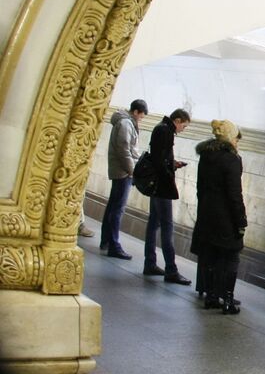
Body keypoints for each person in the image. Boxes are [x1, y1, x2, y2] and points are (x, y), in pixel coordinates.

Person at [191, 120, 247, 314]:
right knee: (231, 257)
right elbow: (235, 194)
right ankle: (228, 300)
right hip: (226, 219)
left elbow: (200, 188)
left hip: (207, 215)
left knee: (211, 256)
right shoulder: (232, 159)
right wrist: (241, 221)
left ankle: (212, 297)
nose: (237, 143)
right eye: (236, 139)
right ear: (230, 138)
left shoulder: (206, 155)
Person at [142, 109, 192, 284]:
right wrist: (170, 171)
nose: (183, 129)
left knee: (153, 223)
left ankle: (150, 262)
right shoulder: (166, 131)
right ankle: (171, 269)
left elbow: (160, 157)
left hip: (156, 185)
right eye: (183, 126)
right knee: (167, 226)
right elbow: (160, 162)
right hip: (162, 186)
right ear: (177, 120)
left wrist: (172, 164)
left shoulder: (160, 127)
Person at [100, 99, 147, 260]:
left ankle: (106, 241)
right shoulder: (126, 124)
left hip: (120, 170)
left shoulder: (124, 122)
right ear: (136, 112)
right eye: (141, 116)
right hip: (123, 172)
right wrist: (132, 171)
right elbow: (124, 149)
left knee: (113, 206)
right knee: (117, 209)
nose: (141, 119)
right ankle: (114, 245)